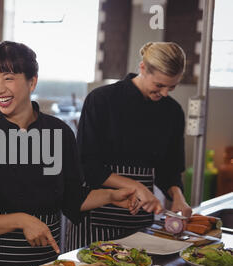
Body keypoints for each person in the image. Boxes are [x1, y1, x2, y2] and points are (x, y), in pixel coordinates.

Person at [0, 41, 135, 266]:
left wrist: (111, 195)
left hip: (47, 265)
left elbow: (72, 197)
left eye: (9, 78)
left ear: (32, 82)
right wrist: (21, 220)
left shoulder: (60, 133)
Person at [68, 42, 192, 250]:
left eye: (171, 87)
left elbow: (169, 169)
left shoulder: (172, 112)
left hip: (140, 223)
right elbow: (87, 165)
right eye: (159, 85)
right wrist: (136, 186)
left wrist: (178, 196)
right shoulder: (102, 100)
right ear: (143, 68)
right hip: (96, 217)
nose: (164, 93)